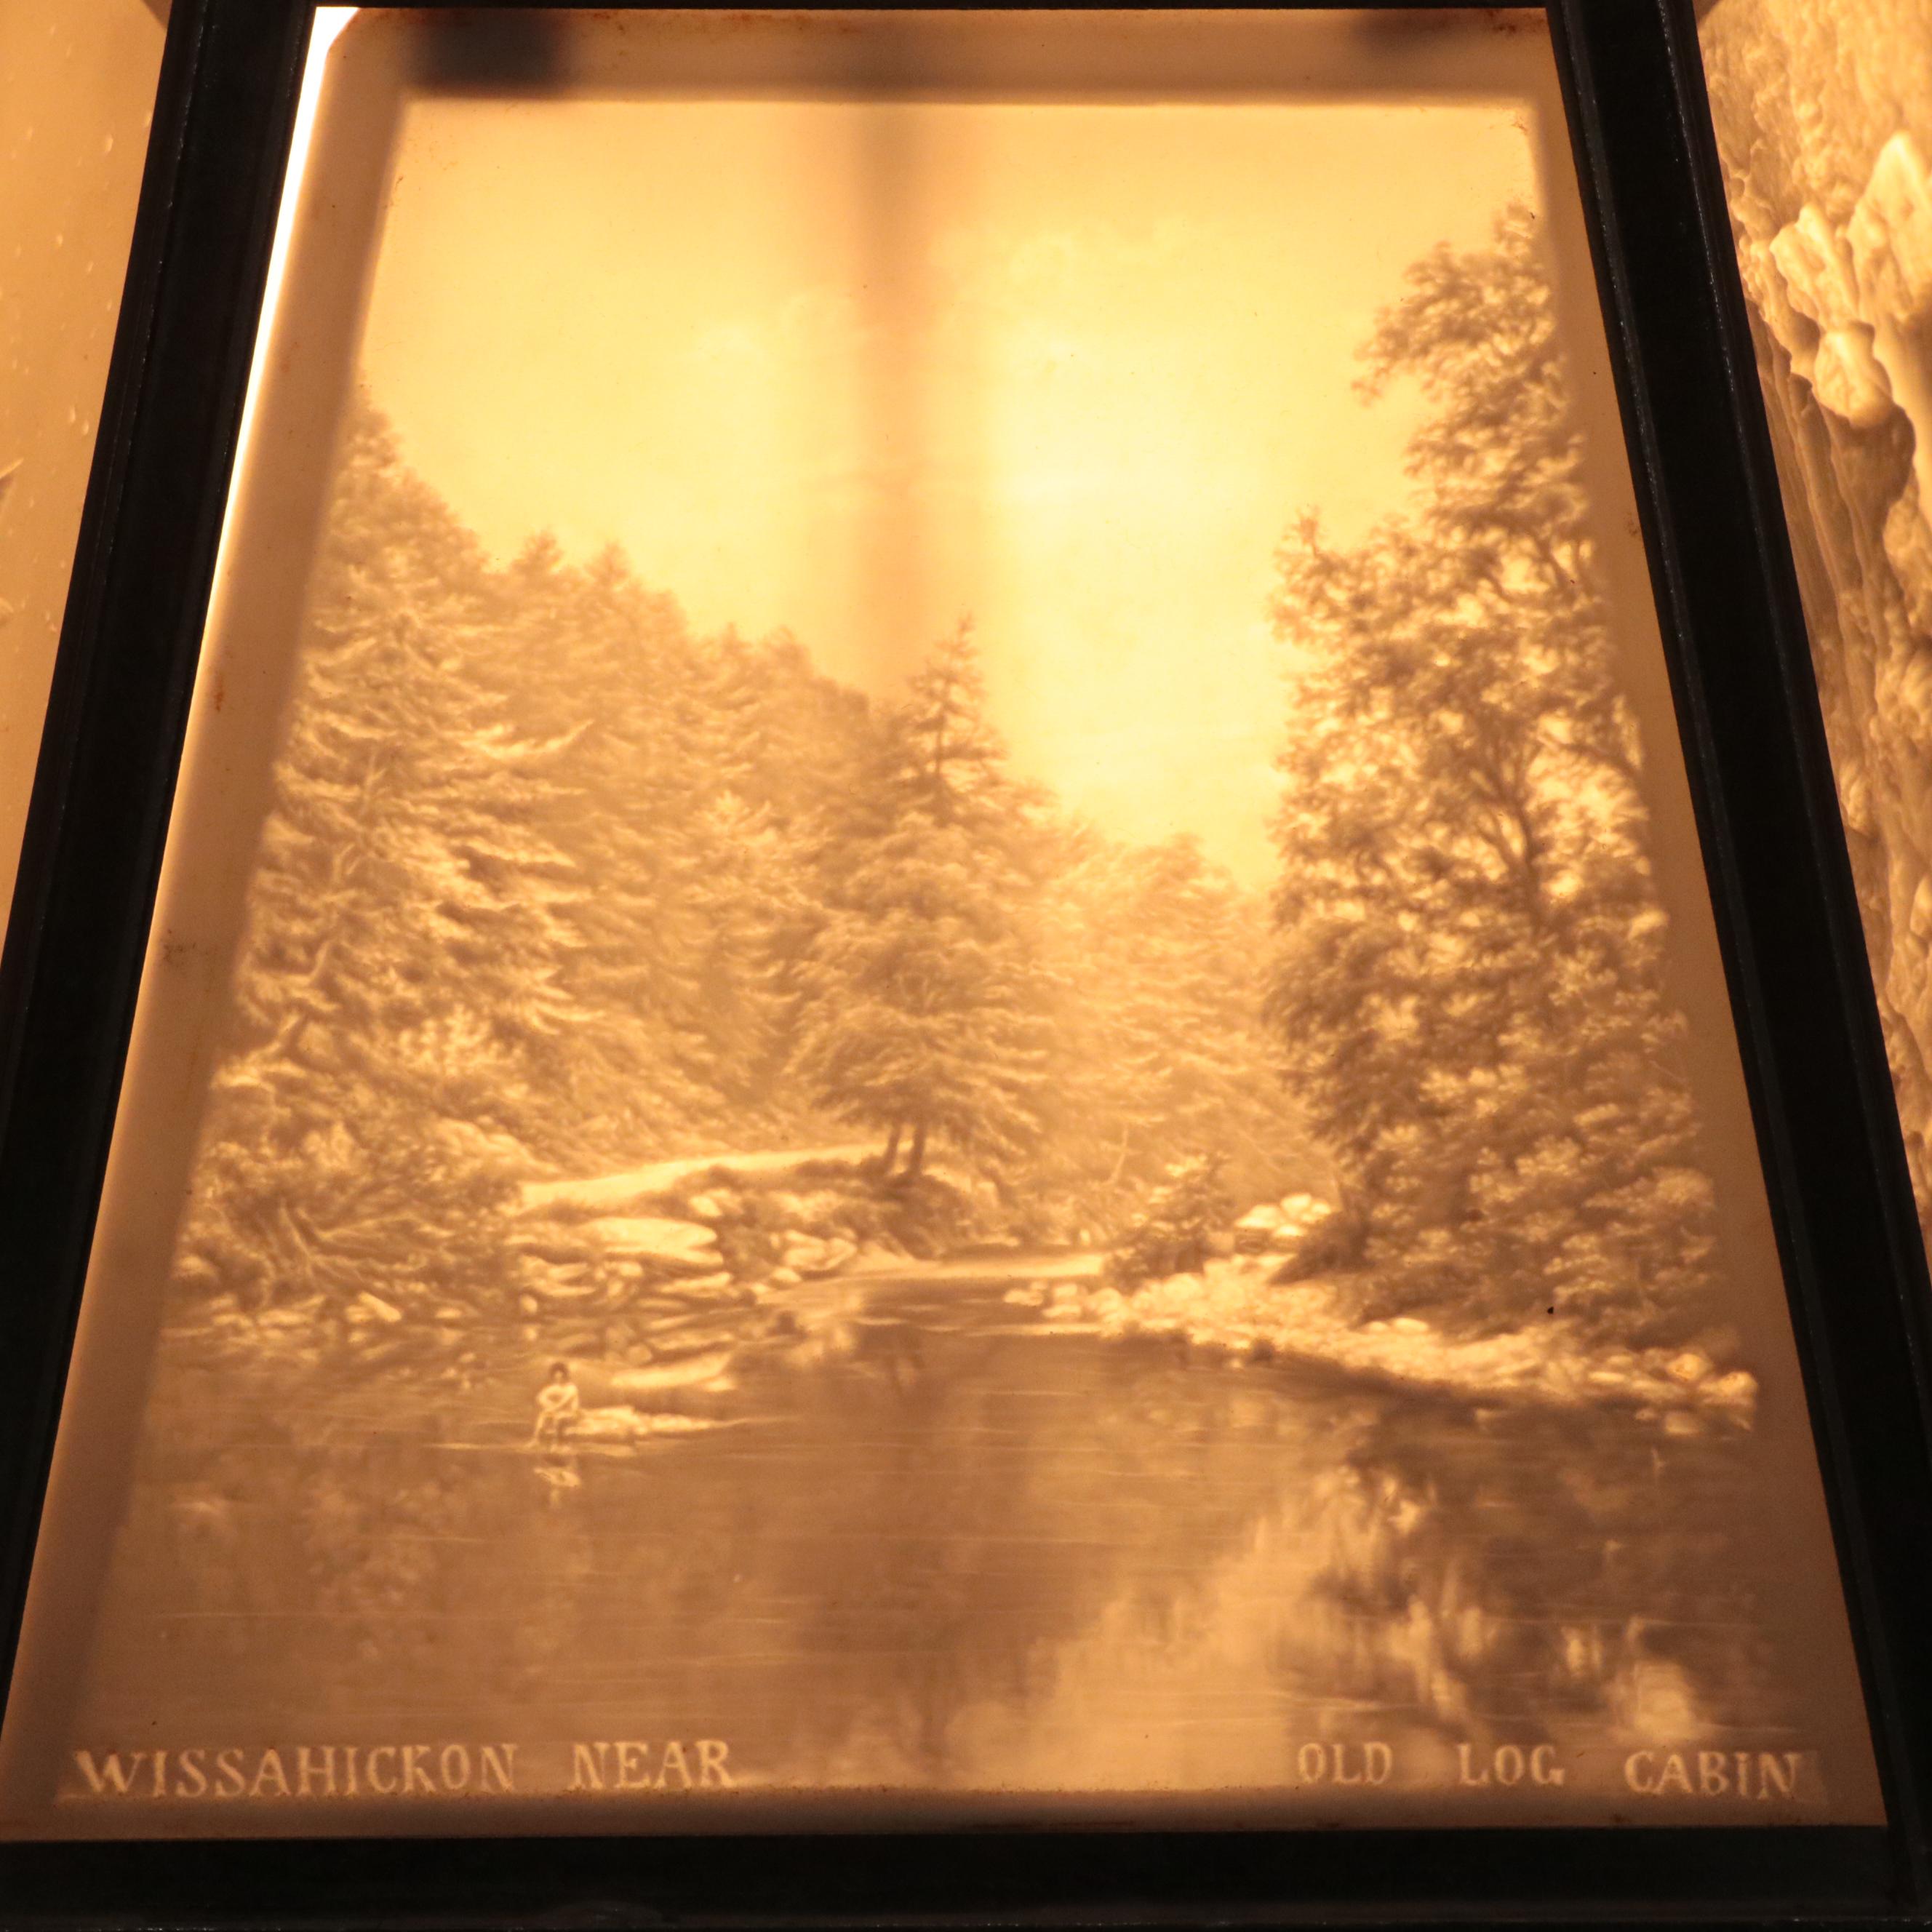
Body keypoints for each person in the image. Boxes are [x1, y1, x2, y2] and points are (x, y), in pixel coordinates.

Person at [530, 1360, 580, 1449]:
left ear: (565, 1375)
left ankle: (557, 1443)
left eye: (561, 1375)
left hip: (572, 1414)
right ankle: (536, 1440)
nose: (558, 1377)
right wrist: (548, 1405)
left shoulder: (571, 1388)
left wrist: (552, 1409)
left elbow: (564, 1403)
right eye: (556, 1376)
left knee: (558, 1417)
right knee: (543, 1416)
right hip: (558, 1411)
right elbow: (540, 1397)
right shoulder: (553, 1387)